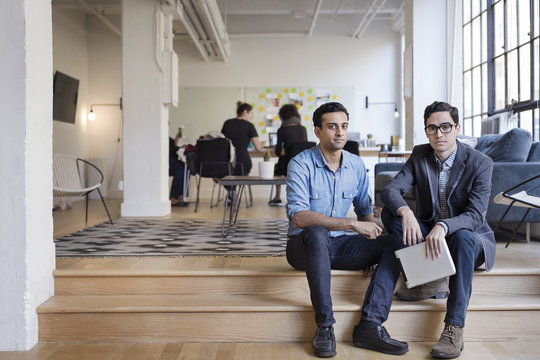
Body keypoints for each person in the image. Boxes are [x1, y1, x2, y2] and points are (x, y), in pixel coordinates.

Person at [286, 102, 408, 358]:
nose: (340, 132)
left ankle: (370, 326)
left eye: (344, 126)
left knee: (394, 244)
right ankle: (325, 326)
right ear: (318, 131)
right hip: (303, 247)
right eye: (332, 126)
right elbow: (299, 218)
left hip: (340, 246)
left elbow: (364, 212)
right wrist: (351, 224)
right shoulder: (300, 164)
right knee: (318, 232)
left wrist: (373, 245)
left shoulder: (355, 165)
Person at [380, 101, 495, 359]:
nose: (439, 134)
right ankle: (431, 278)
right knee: (391, 214)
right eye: (432, 128)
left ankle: (454, 327)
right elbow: (391, 190)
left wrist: (445, 225)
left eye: (445, 127)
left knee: (464, 237)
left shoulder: (480, 162)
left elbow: (476, 216)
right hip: (430, 235)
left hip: (467, 238)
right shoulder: (420, 154)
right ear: (426, 131)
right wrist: (406, 211)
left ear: (457, 128)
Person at [269, 104, 307, 206]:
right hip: (303, 165)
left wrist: (282, 149)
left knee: (277, 168)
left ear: (283, 116)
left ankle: (277, 198)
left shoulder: (282, 130)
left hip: (288, 165)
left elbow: (277, 152)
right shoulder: (303, 128)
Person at [221, 102, 265, 176]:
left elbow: (221, 140)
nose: (252, 116)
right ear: (245, 112)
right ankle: (236, 186)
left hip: (226, 162)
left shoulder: (227, 123)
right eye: (251, 113)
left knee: (230, 176)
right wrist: (264, 143)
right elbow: (258, 147)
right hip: (242, 162)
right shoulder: (249, 125)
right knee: (243, 171)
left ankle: (232, 187)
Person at [169, 130, 189, 207]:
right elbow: (171, 148)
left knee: (186, 168)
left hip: (172, 159)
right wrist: (178, 147)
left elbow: (173, 146)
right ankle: (173, 197)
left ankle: (181, 196)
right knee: (180, 170)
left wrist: (177, 138)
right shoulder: (159, 137)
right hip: (166, 160)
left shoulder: (169, 139)